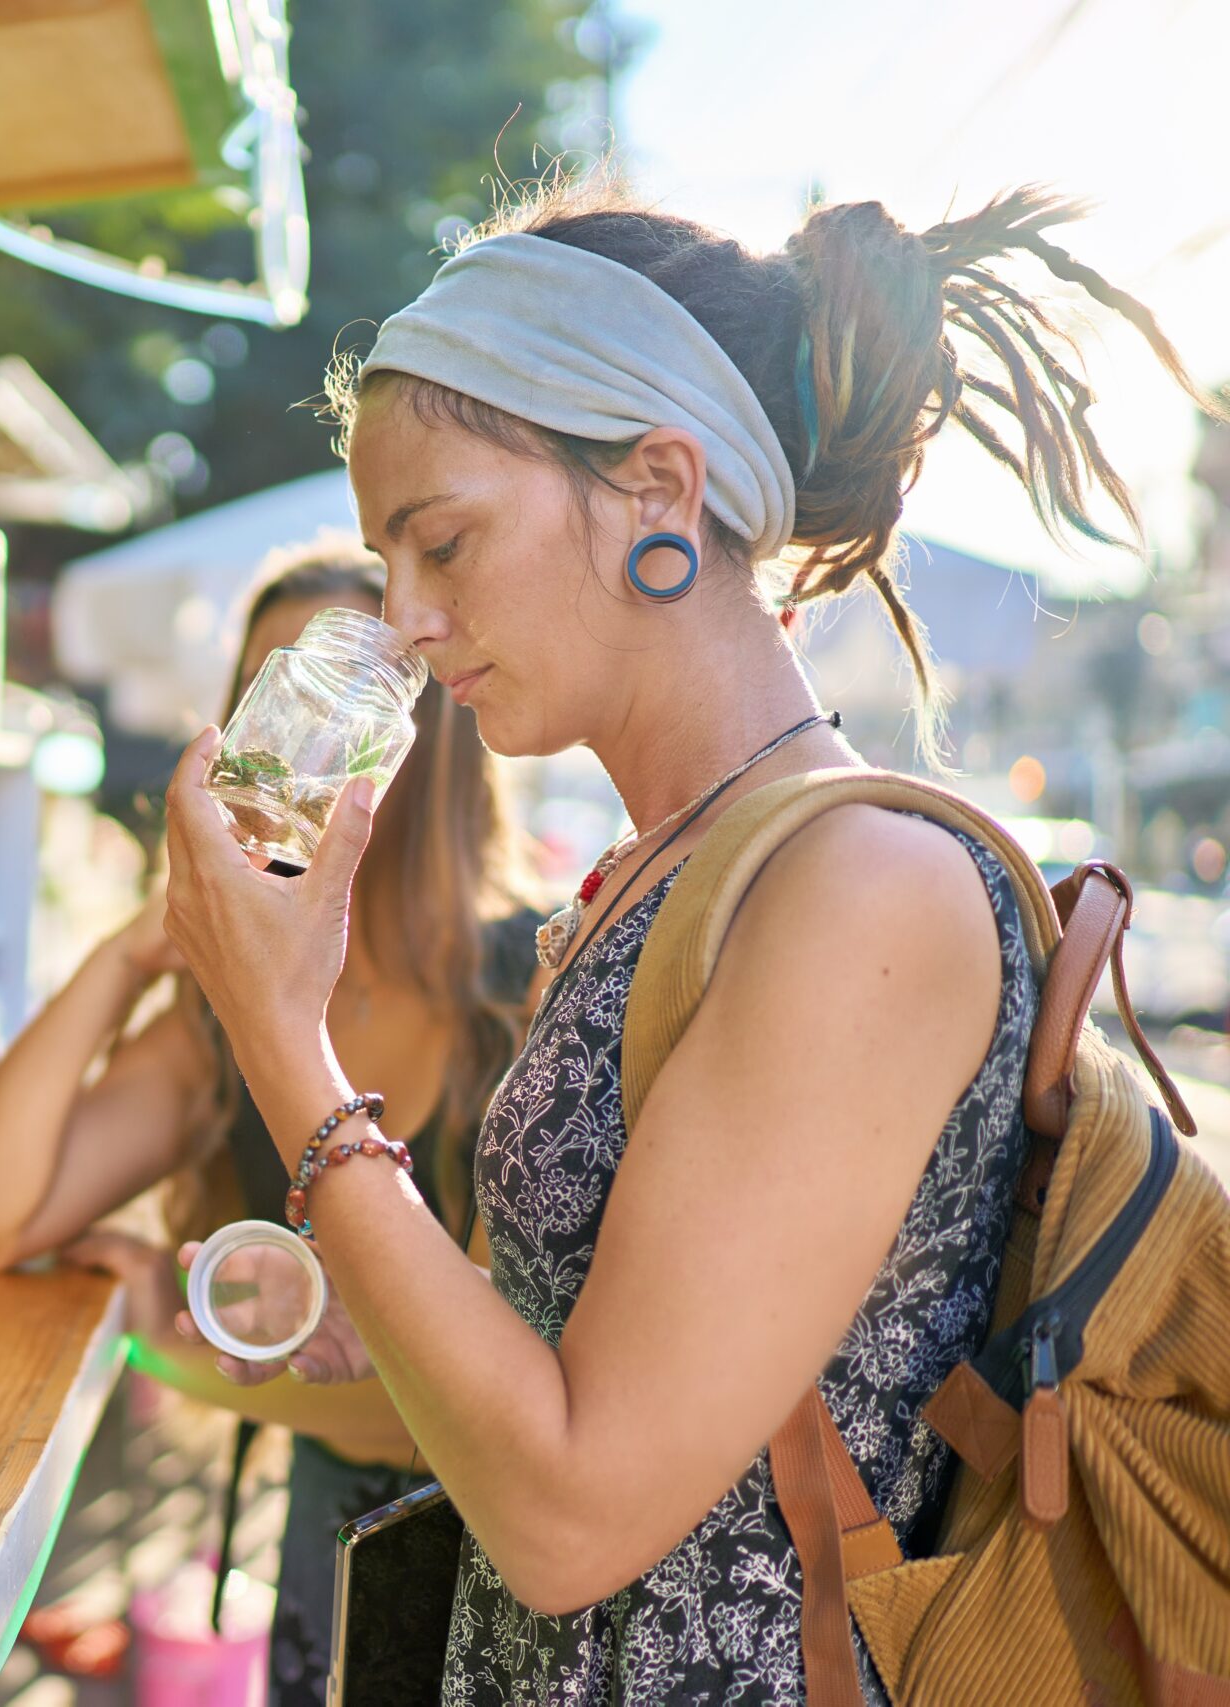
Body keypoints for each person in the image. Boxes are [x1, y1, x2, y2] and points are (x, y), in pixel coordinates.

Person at [158, 179, 1220, 1701]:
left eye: (440, 540)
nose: (402, 615)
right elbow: (586, 1350)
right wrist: (367, 1320)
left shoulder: (864, 891)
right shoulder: (664, 873)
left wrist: (280, 1034)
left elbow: (574, 1510)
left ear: (660, 484)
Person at [0, 539, 543, 1704]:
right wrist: (133, 948)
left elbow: (481, 1393)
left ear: (424, 744)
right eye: (281, 698)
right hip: (330, 1528)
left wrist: (183, 1350)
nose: (300, 754)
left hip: (509, 1565)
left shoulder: (530, 987)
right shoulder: (219, 1022)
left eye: (348, 712)